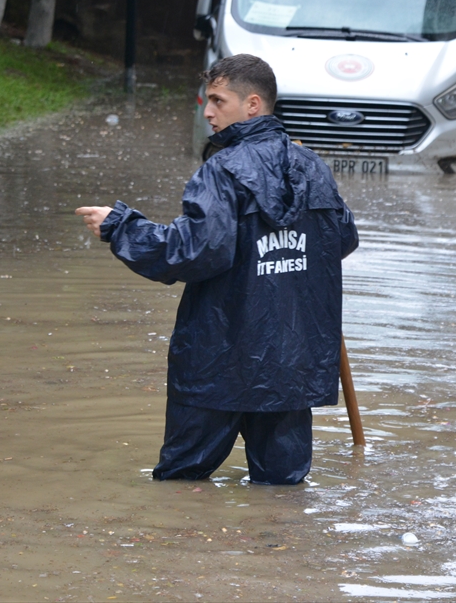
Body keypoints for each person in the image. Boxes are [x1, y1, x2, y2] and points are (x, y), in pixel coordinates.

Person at [76, 54, 358, 485]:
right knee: (283, 489)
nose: (207, 111)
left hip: (218, 359)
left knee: (180, 482)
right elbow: (343, 240)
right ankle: (282, 551)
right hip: (290, 362)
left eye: (217, 100)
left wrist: (120, 227)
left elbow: (192, 253)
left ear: (252, 105)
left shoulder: (222, 171)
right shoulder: (312, 167)